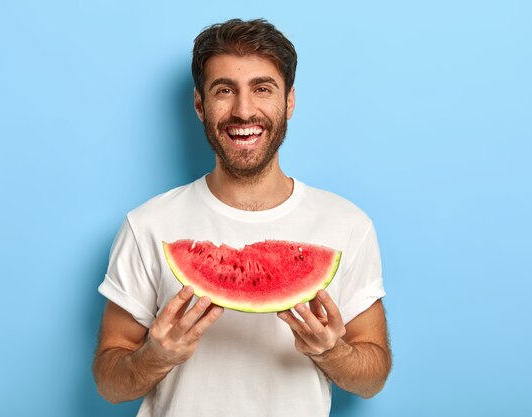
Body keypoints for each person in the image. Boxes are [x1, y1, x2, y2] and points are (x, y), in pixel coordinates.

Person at [92, 18, 391, 417]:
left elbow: (372, 379)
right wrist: (155, 356)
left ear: (289, 102)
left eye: (262, 89)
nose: (243, 110)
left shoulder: (348, 226)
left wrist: (332, 351)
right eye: (224, 90)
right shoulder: (148, 226)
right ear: (200, 105)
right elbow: (109, 384)